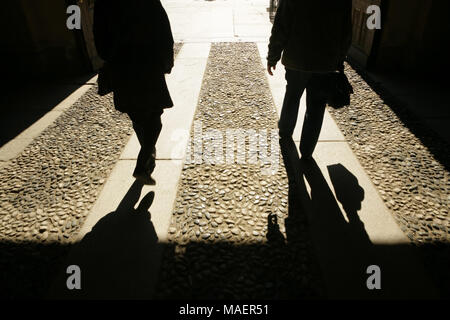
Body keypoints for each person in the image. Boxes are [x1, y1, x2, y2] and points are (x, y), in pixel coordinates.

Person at [93, 0, 174, 185]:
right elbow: (162, 29)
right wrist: (166, 61)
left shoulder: (103, 3)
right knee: (154, 116)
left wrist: (110, 56)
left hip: (121, 65)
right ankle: (144, 159)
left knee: (137, 115)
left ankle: (148, 156)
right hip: (148, 63)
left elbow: (100, 37)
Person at [267, 0, 352, 159]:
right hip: (325, 62)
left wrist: (273, 56)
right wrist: (339, 59)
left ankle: (285, 133)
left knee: (292, 96)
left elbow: (281, 26)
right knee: (316, 107)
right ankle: (307, 150)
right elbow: (346, 31)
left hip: (296, 58)